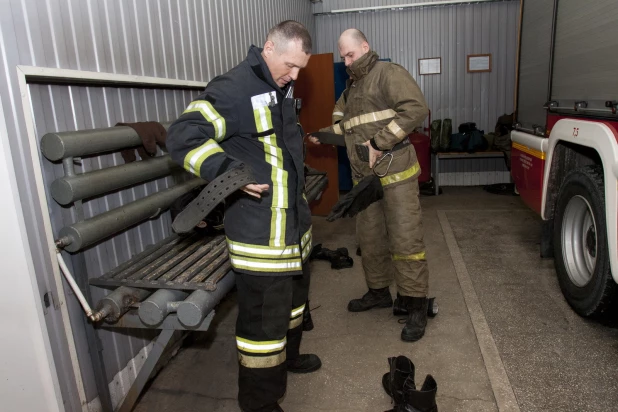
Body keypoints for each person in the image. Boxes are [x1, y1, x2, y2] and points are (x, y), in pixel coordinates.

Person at [166, 20, 320, 412]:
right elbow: (183, 135)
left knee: (293, 309)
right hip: (261, 236)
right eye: (290, 65)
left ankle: (288, 361)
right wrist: (228, 173)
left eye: (301, 68)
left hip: (293, 230)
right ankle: (260, 402)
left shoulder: (280, 85)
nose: (295, 75)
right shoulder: (234, 88)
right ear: (268, 47)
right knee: (262, 331)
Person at [309, 29, 431, 342]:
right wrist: (320, 134)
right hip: (366, 180)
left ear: (365, 47)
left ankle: (415, 305)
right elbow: (345, 128)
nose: (347, 61)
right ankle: (379, 293)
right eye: (343, 57)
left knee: (406, 242)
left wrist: (379, 141)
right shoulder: (350, 90)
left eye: (350, 54)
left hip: (397, 175)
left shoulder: (388, 74)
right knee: (371, 240)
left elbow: (416, 109)